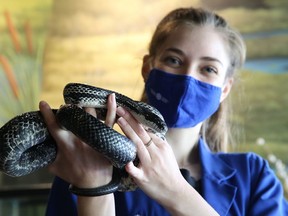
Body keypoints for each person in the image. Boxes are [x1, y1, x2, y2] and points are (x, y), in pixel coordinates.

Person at [39, 7, 288, 216]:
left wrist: (175, 191)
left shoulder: (254, 177)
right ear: (148, 68)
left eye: (209, 69)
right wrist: (94, 185)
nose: (188, 77)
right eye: (174, 60)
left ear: (225, 89)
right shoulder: (84, 160)